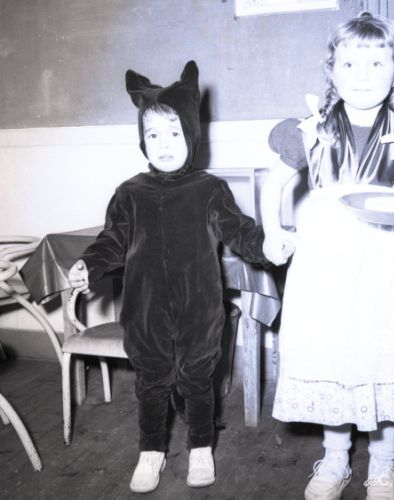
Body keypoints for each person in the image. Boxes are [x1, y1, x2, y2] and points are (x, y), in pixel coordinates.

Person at [260, 12, 394, 500]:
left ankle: (383, 465)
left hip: (391, 266)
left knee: (384, 361)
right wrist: (273, 231)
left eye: (376, 63)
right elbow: (274, 181)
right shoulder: (312, 129)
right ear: (332, 71)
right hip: (328, 266)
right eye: (349, 64)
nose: (362, 75)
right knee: (337, 358)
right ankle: (335, 458)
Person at [68, 60, 268, 493]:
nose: (163, 144)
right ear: (142, 140)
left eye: (175, 133)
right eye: (153, 135)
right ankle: (151, 450)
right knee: (151, 381)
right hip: (145, 308)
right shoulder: (129, 192)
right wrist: (90, 264)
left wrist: (267, 248)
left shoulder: (209, 189)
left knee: (198, 379)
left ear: (192, 136)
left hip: (200, 307)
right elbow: (112, 240)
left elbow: (240, 231)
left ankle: (201, 446)